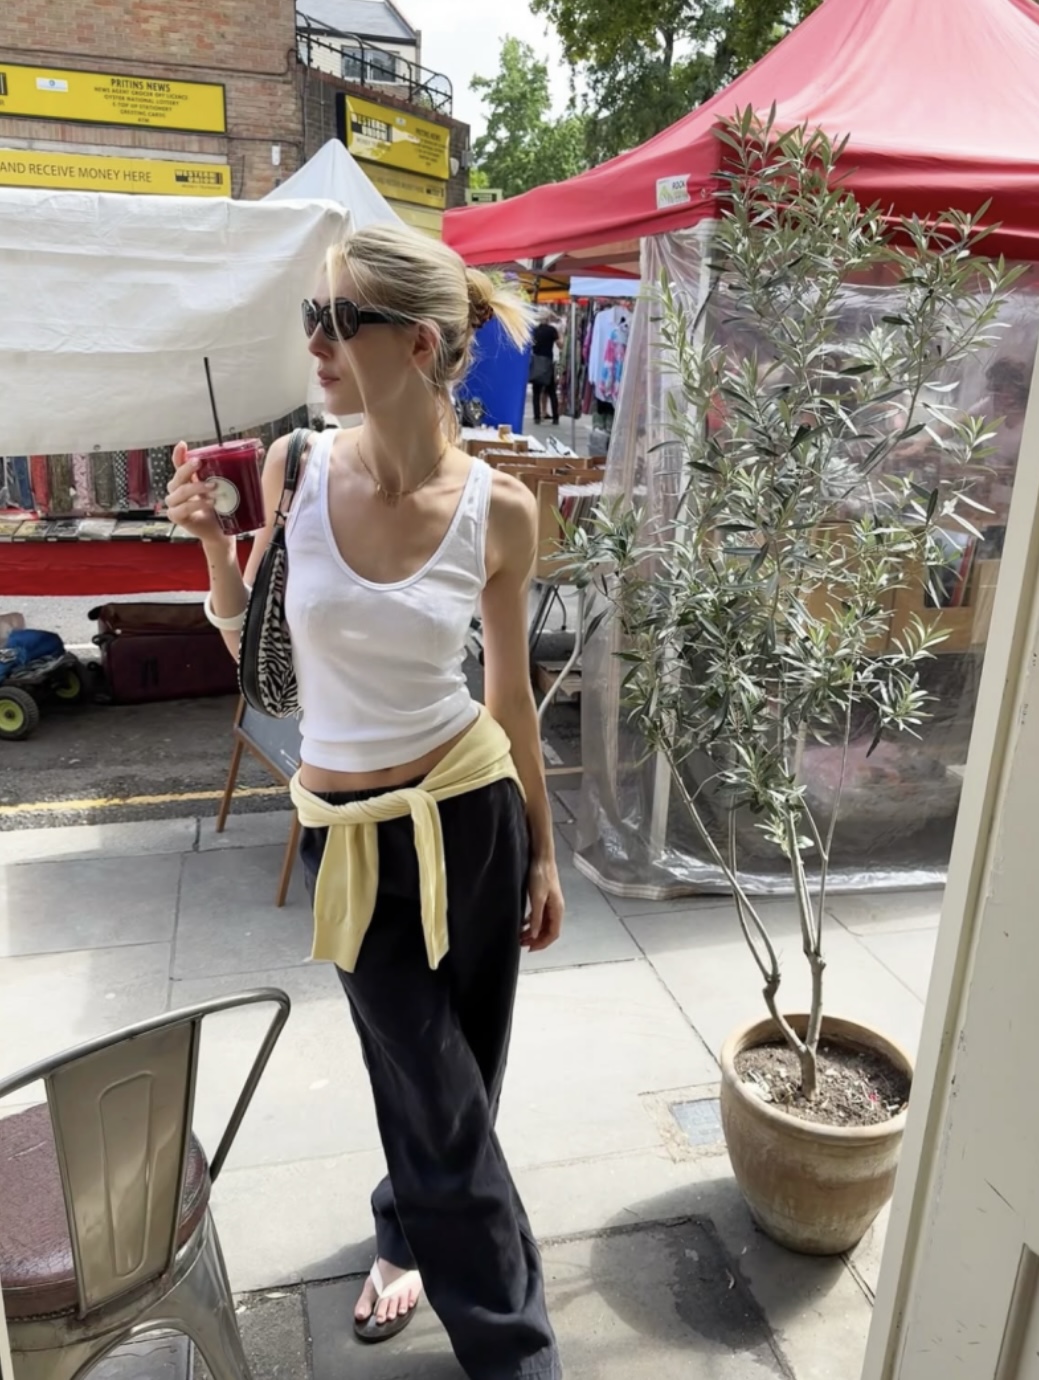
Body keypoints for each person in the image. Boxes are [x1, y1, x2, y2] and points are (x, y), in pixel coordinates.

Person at [166, 223, 565, 1380]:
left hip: (470, 818)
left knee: (462, 1075)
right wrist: (213, 551)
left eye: (337, 321)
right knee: (434, 1089)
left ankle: (404, 1228)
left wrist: (543, 852)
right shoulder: (295, 468)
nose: (314, 342)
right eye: (312, 316)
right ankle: (519, 1352)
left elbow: (510, 700)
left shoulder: (499, 510)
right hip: (347, 838)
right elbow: (263, 664)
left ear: (419, 343)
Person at [530, 309, 560, 425]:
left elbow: (530, 345)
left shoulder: (534, 331)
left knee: (536, 392)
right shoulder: (552, 330)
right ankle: (555, 417)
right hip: (548, 363)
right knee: (552, 392)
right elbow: (560, 344)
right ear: (547, 318)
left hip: (536, 362)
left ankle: (537, 417)